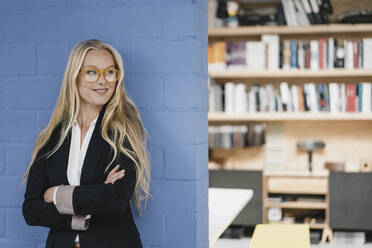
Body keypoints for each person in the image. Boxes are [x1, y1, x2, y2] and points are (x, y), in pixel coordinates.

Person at [22, 39, 151, 248]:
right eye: (92, 72)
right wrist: (86, 210)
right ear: (75, 77)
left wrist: (56, 194)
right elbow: (31, 210)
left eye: (110, 72)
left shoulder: (125, 131)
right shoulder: (53, 137)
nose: (103, 81)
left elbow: (116, 199)